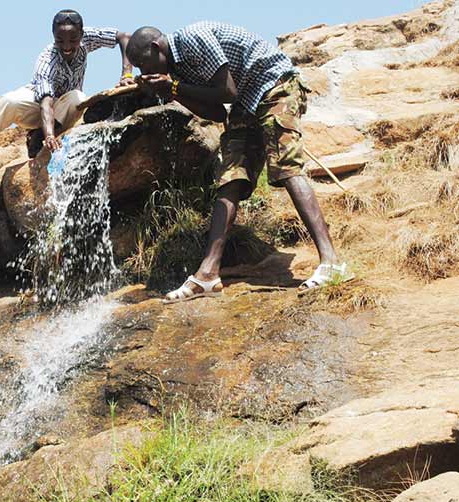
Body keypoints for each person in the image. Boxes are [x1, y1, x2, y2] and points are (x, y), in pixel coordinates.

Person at [124, 22, 351, 303]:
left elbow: (227, 91)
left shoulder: (194, 38)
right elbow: (217, 112)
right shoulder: (176, 70)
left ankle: (331, 261)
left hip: (274, 85)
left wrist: (174, 86)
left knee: (286, 166)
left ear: (156, 47)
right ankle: (207, 273)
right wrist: (173, 91)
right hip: (246, 102)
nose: (144, 72)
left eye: (143, 64)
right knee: (230, 178)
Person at [0, 9, 133, 165]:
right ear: (53, 35)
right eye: (60, 40)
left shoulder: (88, 37)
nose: (66, 46)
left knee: (78, 98)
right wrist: (49, 135)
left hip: (64, 110)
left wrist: (126, 75)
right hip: (38, 106)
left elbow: (124, 37)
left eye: (73, 40)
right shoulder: (47, 60)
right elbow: (46, 102)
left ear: (81, 34)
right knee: (9, 101)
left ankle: (36, 138)